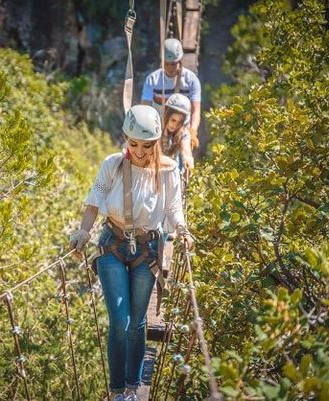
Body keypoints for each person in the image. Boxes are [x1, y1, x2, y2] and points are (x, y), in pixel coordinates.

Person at [69, 105, 194, 401]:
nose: (139, 151)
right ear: (125, 138)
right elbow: (94, 201)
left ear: (157, 141)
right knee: (120, 321)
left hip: (147, 250)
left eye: (147, 145)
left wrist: (183, 229)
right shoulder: (112, 164)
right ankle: (116, 392)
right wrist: (84, 231)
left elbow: (173, 208)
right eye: (133, 143)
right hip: (112, 244)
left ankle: (132, 389)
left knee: (138, 323)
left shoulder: (167, 171)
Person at [141, 38, 201, 145]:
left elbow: (195, 110)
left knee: (184, 155)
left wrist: (193, 131)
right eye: (166, 64)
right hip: (159, 126)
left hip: (182, 128)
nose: (170, 67)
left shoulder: (191, 80)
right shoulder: (152, 80)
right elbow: (146, 108)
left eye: (173, 64)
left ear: (180, 61)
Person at [161, 93, 196, 171]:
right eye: (173, 120)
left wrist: (188, 161)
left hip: (172, 173)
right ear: (166, 115)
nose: (175, 125)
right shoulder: (156, 127)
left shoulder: (183, 133)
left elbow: (186, 151)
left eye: (179, 122)